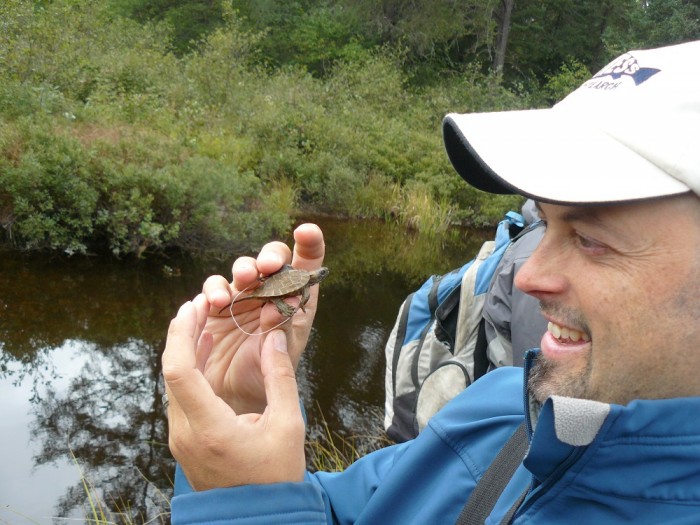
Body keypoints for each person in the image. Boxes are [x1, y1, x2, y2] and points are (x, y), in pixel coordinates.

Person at [162, 40, 700, 524]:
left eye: (591, 240)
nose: (530, 276)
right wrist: (243, 420)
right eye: (544, 224)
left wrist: (240, 510)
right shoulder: (500, 412)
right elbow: (336, 508)